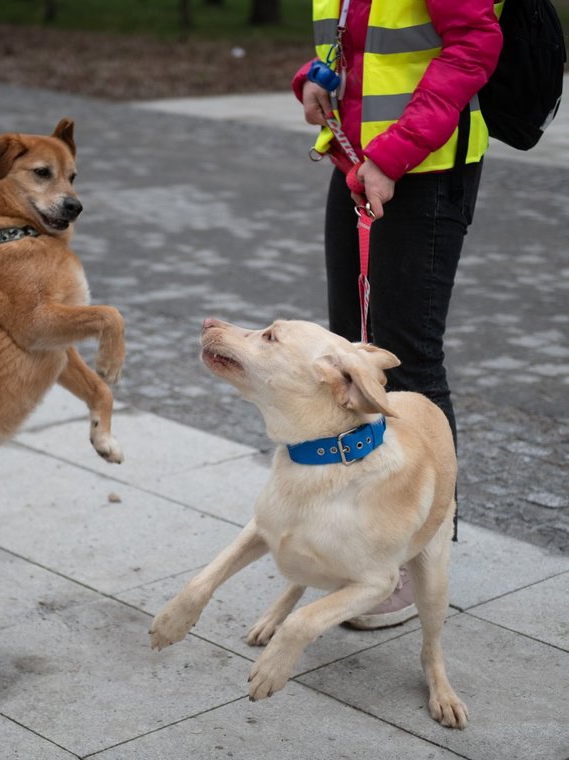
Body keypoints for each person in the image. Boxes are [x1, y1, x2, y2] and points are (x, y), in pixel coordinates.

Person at [293, 2, 503, 628]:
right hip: (358, 160)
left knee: (407, 359)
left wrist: (394, 154)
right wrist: (315, 76)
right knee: (352, 351)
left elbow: (472, 45)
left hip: (423, 169)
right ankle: (364, 532)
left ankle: (419, 554)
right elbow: (357, 41)